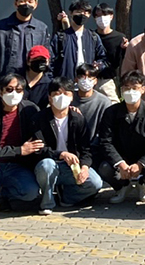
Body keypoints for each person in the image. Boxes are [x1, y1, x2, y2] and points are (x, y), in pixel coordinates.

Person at [0, 73, 43, 222]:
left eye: (18, 90)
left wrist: (70, 111)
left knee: (30, 193)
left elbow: (45, 127)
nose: (14, 94)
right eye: (9, 89)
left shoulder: (30, 110)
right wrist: (19, 150)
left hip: (18, 167)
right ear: (0, 92)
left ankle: (3, 195)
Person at [33, 77, 103, 213]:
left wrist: (85, 167)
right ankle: (47, 203)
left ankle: (66, 197)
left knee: (95, 183)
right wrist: (61, 154)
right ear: (50, 98)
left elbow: (86, 149)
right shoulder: (39, 119)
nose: (62, 97)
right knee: (47, 166)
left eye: (66, 93)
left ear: (72, 97)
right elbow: (39, 149)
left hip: (71, 167)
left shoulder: (77, 118)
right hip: (49, 164)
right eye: (57, 94)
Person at [97, 71, 145, 204]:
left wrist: (141, 164)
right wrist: (120, 163)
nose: (130, 92)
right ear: (121, 90)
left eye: (134, 88)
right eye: (127, 88)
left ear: (142, 89)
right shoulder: (111, 112)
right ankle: (122, 187)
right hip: (122, 157)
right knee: (104, 168)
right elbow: (105, 141)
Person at [0, 0, 50, 86]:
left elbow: (48, 57)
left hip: (32, 84)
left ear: (35, 5)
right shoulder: (0, 28)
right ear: (15, 3)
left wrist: (42, 82)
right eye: (22, 1)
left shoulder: (41, 29)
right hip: (5, 84)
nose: (26, 4)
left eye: (30, 1)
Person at [52, 0, 108, 80]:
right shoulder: (60, 37)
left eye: (86, 12)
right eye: (78, 12)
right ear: (71, 13)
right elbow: (51, 60)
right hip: (66, 82)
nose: (82, 15)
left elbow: (103, 58)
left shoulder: (93, 37)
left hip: (87, 81)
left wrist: (98, 66)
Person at [73, 63, 112, 167]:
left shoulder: (104, 102)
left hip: (94, 150)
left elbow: (105, 131)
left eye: (90, 77)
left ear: (95, 81)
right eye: (82, 77)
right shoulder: (69, 99)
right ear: (76, 79)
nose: (86, 80)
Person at [93, 2, 127, 103]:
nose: (102, 19)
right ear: (94, 18)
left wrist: (124, 49)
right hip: (91, 78)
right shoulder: (91, 36)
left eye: (105, 15)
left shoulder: (119, 37)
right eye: (98, 16)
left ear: (111, 16)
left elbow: (121, 61)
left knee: (113, 105)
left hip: (108, 80)